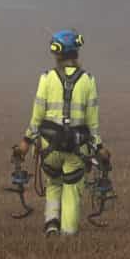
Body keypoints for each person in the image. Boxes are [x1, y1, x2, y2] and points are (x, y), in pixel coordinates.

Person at [23, 27, 102, 238]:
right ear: (76, 52)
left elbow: (37, 115)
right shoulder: (89, 80)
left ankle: (51, 224)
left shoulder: (46, 78)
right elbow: (93, 122)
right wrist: (100, 148)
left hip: (49, 147)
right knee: (72, 191)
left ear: (58, 53)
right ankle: (68, 233)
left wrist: (26, 141)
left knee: (53, 185)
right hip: (77, 148)